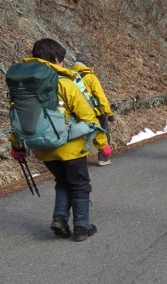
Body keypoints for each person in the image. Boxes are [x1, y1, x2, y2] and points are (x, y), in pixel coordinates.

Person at [9, 38, 111, 242]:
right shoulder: (64, 83)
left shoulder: (22, 87)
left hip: (42, 147)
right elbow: (87, 116)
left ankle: (60, 219)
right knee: (80, 184)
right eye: (62, 60)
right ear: (56, 59)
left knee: (63, 181)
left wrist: (16, 145)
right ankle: (82, 227)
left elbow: (16, 117)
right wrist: (103, 144)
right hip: (69, 147)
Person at [71, 51, 116, 166]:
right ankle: (103, 158)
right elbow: (100, 96)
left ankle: (78, 160)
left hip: (76, 112)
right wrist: (109, 113)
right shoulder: (90, 77)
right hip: (94, 111)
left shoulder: (69, 76)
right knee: (103, 134)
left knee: (80, 137)